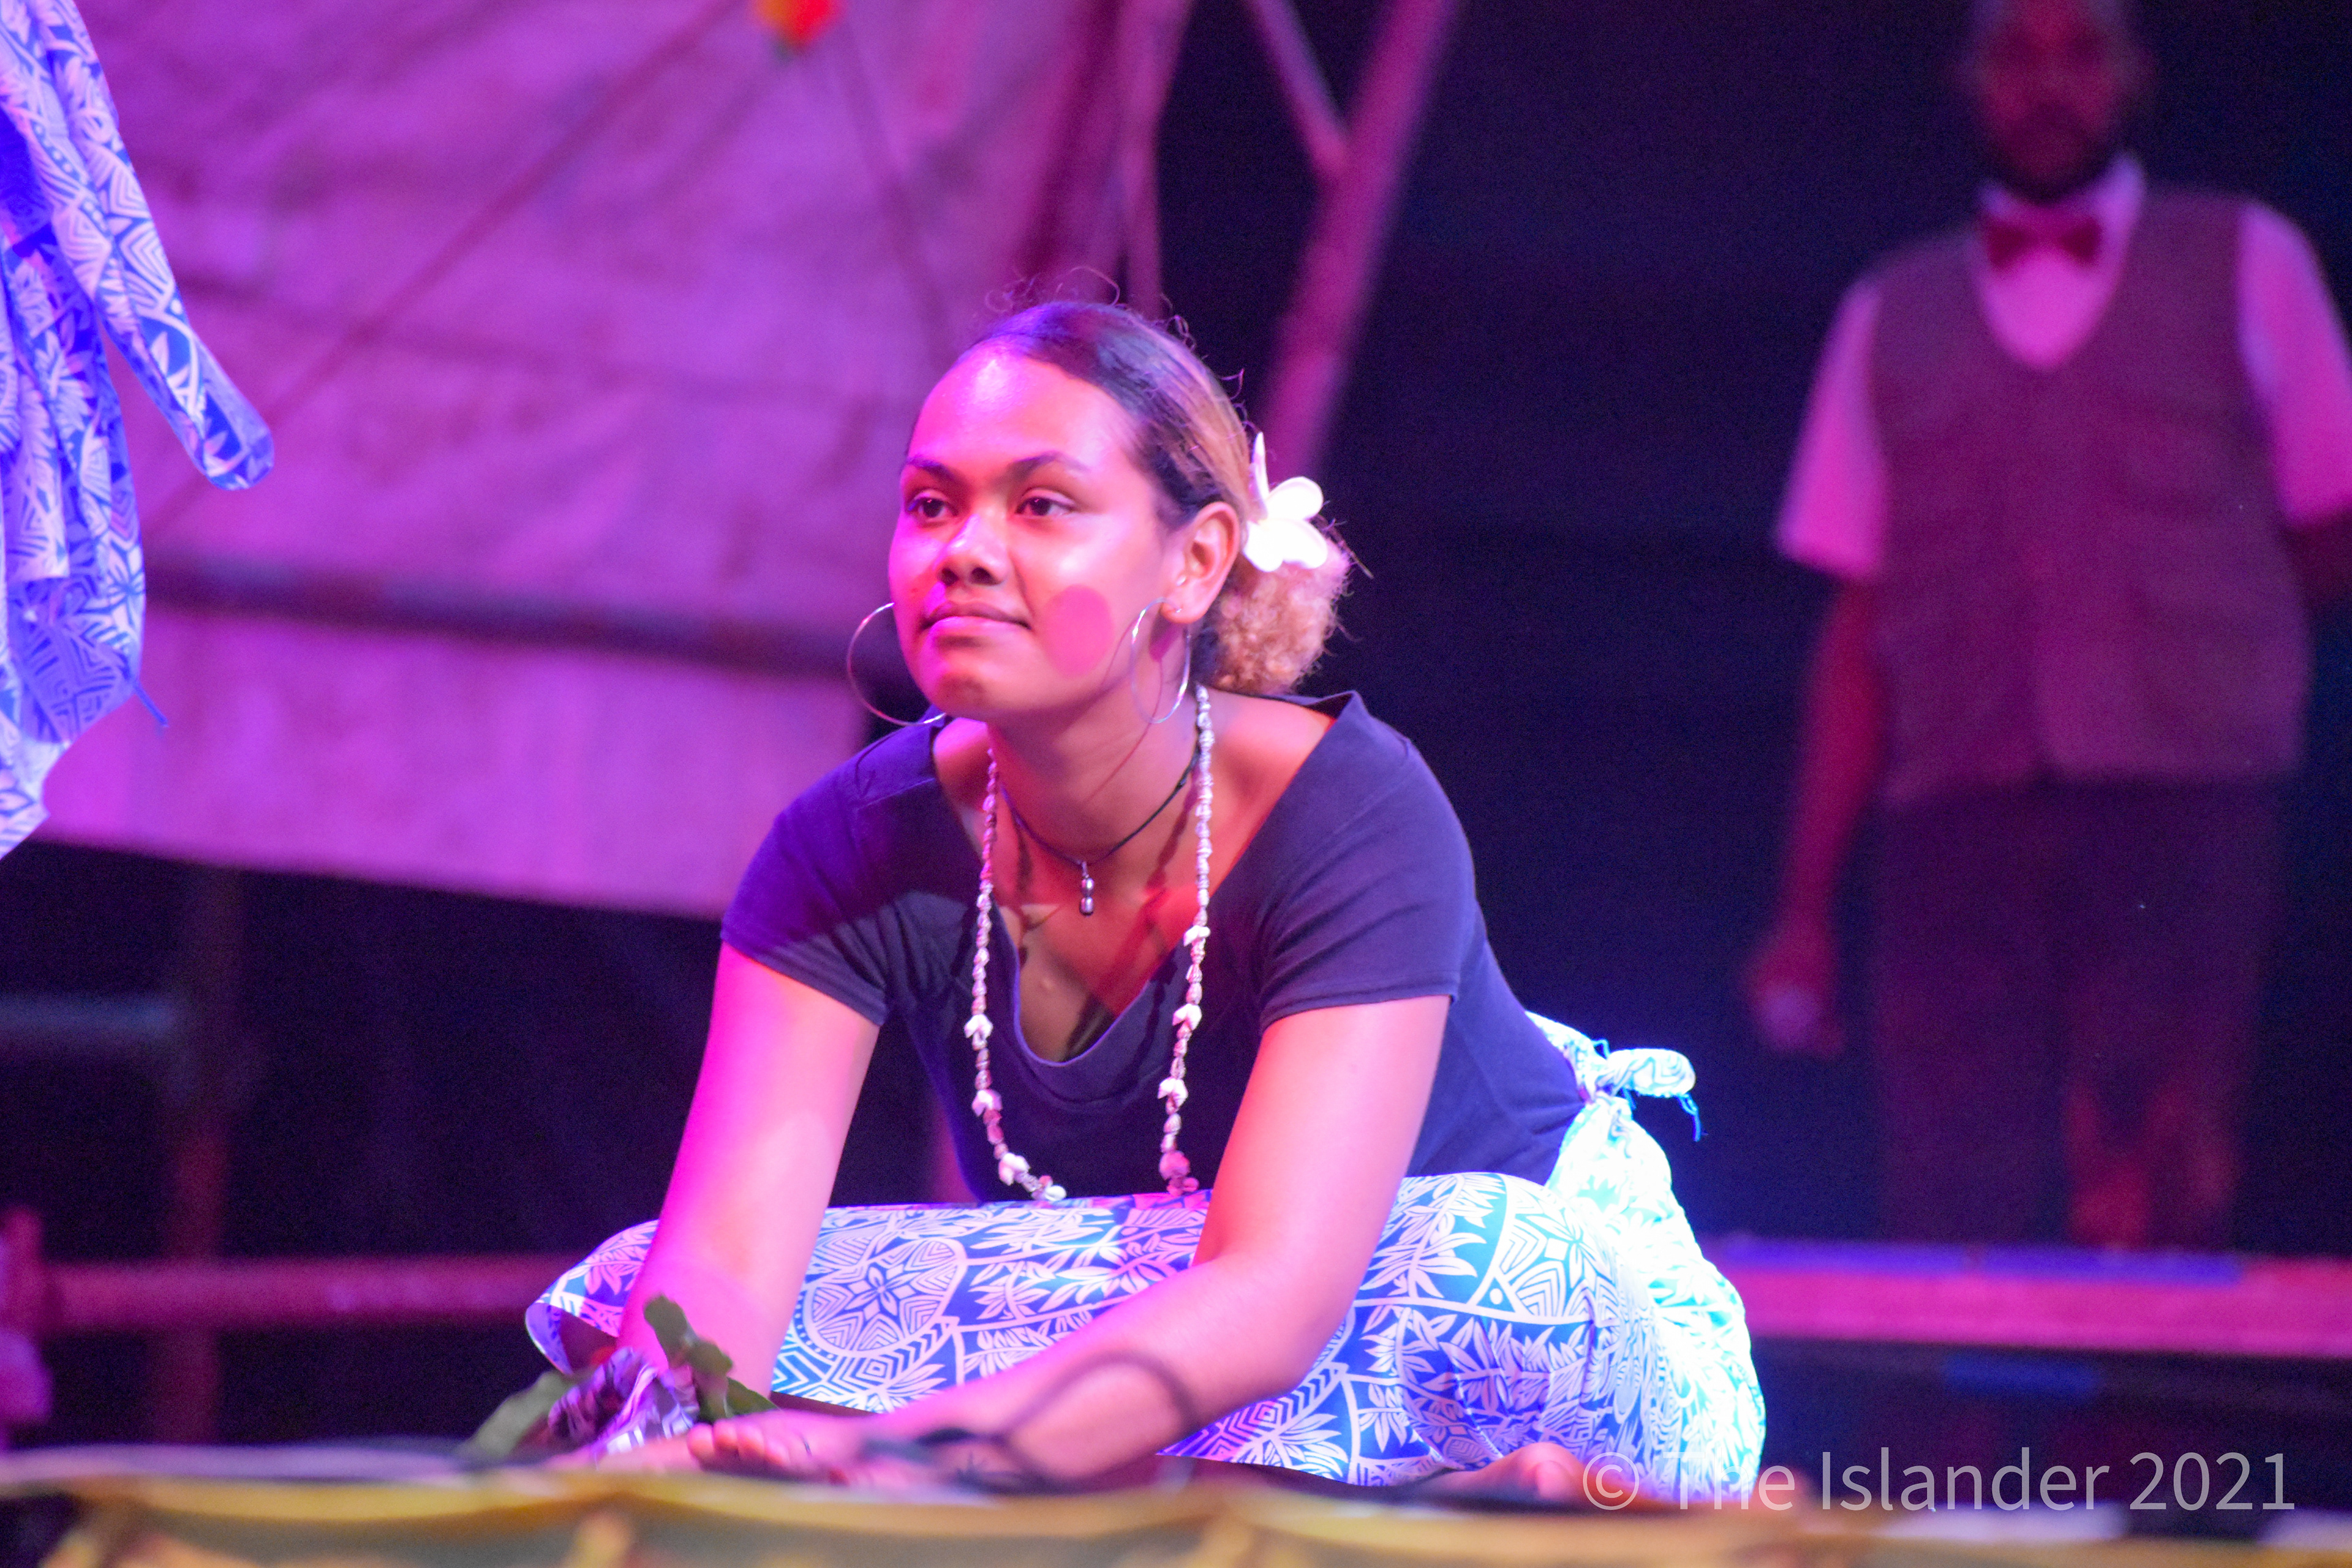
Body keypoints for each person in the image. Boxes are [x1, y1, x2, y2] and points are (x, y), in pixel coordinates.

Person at [520, 301, 1763, 1500]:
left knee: (1467, 1259)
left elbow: (1273, 1296)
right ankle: (1355, 1505)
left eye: (1043, 504)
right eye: (930, 503)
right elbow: (720, 1285)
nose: (964, 546)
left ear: (1196, 561)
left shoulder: (1351, 807)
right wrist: (674, 1438)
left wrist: (893, 1451)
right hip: (1171, 1332)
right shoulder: (843, 848)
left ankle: (1426, 1494)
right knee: (634, 1297)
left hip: (1526, 1300)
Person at [1748, 0, 2352, 1247]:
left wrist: (2204, 656)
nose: (2048, 88)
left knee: (2161, 1186)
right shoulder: (1892, 308)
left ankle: (2154, 1453)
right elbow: (1857, 620)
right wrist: (1803, 904)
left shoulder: (2247, 259)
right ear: (1970, 83)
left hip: (2184, 810)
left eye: (2080, 53)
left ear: (2132, 77)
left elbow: (2328, 524)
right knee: (1947, 1188)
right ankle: (1955, 1452)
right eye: (2017, 56)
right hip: (1955, 818)